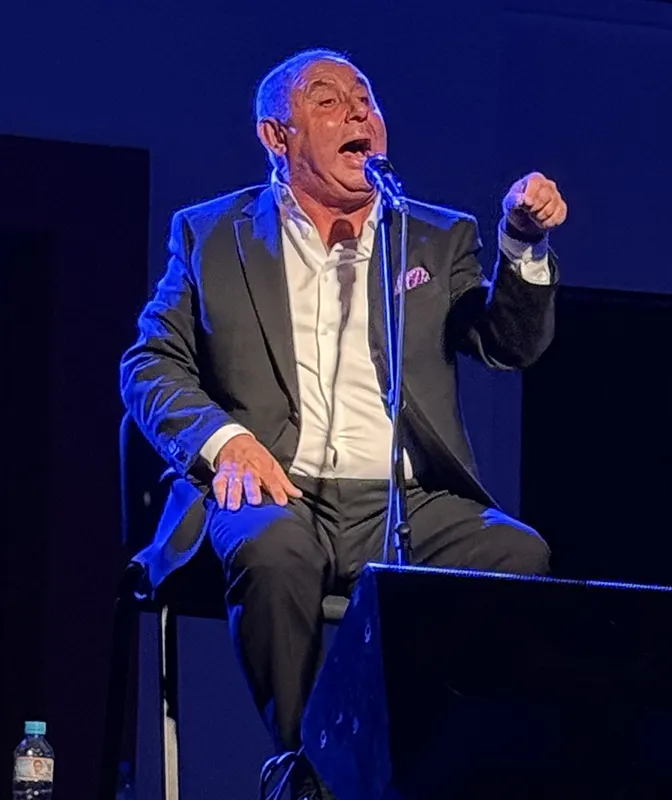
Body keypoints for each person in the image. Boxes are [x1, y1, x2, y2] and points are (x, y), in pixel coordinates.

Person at [120, 48, 567, 800]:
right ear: (277, 135)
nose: (359, 111)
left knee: (519, 555)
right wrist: (225, 442)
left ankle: (418, 764)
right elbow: (148, 363)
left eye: (367, 98)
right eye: (329, 100)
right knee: (272, 553)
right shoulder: (211, 235)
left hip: (407, 498)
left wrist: (523, 246)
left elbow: (508, 344)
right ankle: (306, 772)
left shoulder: (433, 237)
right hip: (273, 491)